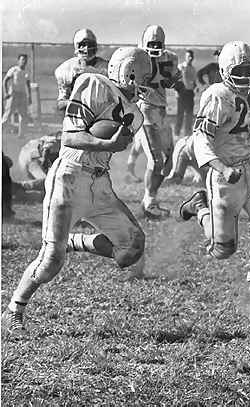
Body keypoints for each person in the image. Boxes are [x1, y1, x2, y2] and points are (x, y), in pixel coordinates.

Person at [1, 47, 152, 338]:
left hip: (99, 181)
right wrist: (106, 144)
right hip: (69, 176)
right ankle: (13, 310)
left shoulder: (134, 111)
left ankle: (73, 241)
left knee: (131, 248)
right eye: (141, 76)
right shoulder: (93, 84)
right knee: (50, 263)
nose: (144, 83)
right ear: (127, 72)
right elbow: (70, 137)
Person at [179, 41, 250, 295]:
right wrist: (222, 168)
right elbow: (201, 139)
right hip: (225, 178)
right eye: (239, 73)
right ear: (225, 72)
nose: (246, 78)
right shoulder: (216, 95)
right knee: (223, 251)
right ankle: (200, 207)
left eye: (249, 71)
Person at [126, 25, 180, 219]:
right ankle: (149, 201)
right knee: (156, 160)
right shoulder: (137, 58)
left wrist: (173, 80)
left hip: (161, 109)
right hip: (146, 110)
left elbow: (174, 81)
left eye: (158, 44)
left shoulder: (170, 58)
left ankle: (151, 199)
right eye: (152, 43)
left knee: (169, 157)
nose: (155, 47)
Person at [54, 29, 108, 114]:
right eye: (83, 45)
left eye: (90, 44)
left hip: (101, 116)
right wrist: (78, 104)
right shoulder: (66, 69)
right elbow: (60, 104)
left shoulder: (106, 69)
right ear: (76, 46)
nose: (86, 48)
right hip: (77, 116)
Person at [2, 54, 32, 138]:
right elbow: (5, 81)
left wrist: (29, 97)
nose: (24, 62)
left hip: (22, 95)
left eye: (25, 60)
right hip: (13, 94)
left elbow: (28, 85)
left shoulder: (26, 72)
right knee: (7, 115)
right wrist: (6, 92)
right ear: (18, 60)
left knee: (23, 115)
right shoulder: (13, 69)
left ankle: (21, 135)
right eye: (22, 60)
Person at [175, 49, 197, 138]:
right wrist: (177, 91)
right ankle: (176, 133)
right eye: (188, 56)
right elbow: (176, 81)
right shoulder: (181, 67)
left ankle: (187, 134)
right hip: (181, 93)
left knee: (189, 114)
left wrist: (194, 87)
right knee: (180, 114)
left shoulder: (193, 69)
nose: (190, 58)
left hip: (190, 93)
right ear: (185, 57)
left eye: (191, 57)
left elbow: (194, 82)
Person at [2, 153, 15, 219]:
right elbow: (10, 163)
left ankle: (7, 212)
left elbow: (10, 163)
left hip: (6, 183)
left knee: (6, 197)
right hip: (6, 183)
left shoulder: (5, 160)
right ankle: (6, 212)